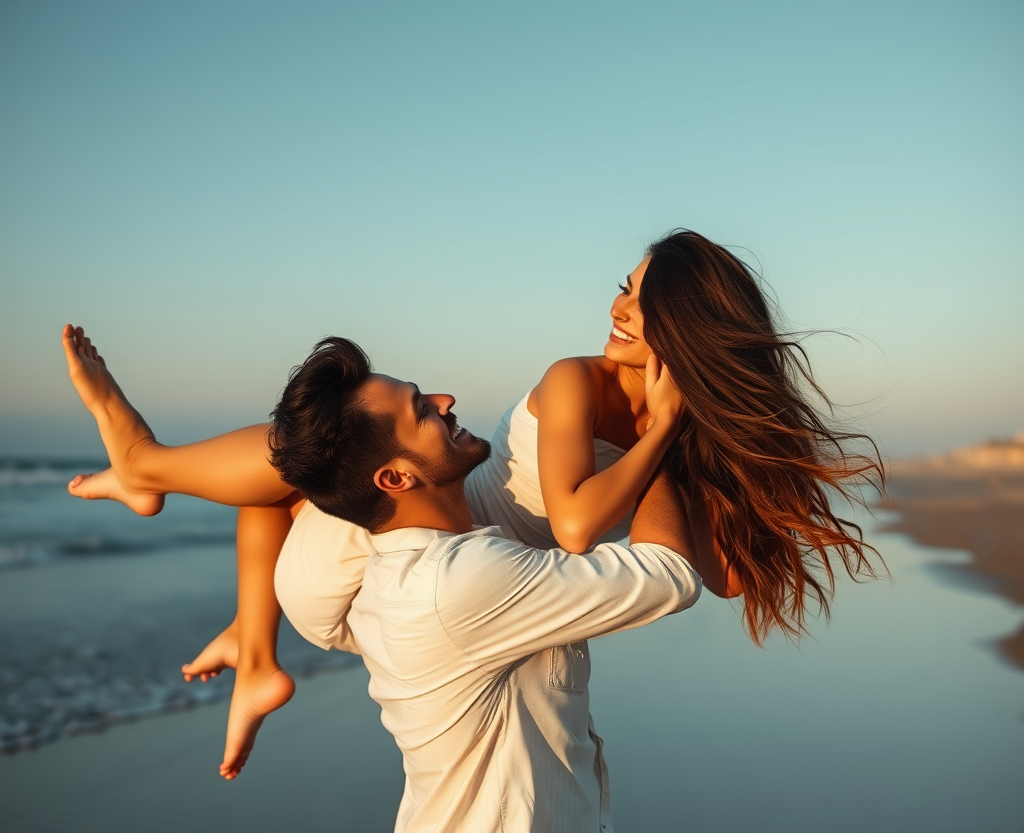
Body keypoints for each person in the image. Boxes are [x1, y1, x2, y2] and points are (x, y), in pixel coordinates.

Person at [61, 230, 882, 779]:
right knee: (318, 443)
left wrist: (688, 453)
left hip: (432, 581)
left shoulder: (675, 433)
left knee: (308, 458)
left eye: (640, 301)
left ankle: (227, 596)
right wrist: (661, 435)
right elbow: (573, 524)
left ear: (689, 326)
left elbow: (727, 579)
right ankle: (164, 495)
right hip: (383, 561)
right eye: (621, 290)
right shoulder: (576, 381)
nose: (615, 310)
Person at [267, 335, 702, 833]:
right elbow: (670, 577)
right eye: (420, 411)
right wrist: (662, 434)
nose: (445, 401)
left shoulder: (401, 577)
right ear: (396, 477)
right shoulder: (457, 582)